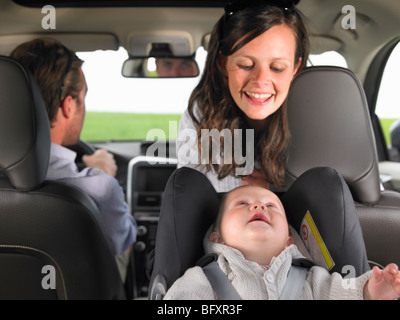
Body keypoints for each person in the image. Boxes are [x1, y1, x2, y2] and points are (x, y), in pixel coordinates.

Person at [10, 38, 137, 280]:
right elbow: (122, 242)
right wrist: (105, 177)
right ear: (68, 105)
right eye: (83, 97)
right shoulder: (98, 188)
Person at [164, 185, 400, 300]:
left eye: (271, 206)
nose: (258, 206)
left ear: (289, 241)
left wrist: (369, 291)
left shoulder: (311, 278)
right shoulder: (204, 278)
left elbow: (342, 293)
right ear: (217, 238)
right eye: (242, 204)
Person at [176, 0, 309, 192]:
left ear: (296, 68)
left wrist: (275, 188)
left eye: (277, 68)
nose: (261, 80)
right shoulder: (201, 114)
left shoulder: (313, 118)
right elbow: (200, 199)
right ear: (223, 63)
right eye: (246, 65)